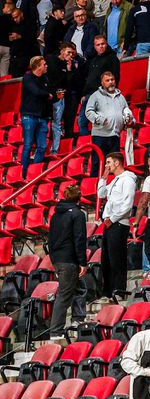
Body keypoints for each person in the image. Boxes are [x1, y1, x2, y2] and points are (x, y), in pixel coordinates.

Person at [45, 185, 88, 340]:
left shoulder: (56, 215)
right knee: (64, 294)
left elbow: (50, 239)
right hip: (69, 259)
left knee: (79, 287)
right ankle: (56, 331)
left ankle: (78, 318)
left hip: (58, 258)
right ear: (79, 197)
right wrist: (83, 262)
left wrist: (54, 259)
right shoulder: (77, 214)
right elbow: (79, 239)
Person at [96, 151, 136, 301]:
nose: (106, 165)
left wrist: (112, 219)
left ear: (117, 163)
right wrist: (103, 177)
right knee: (106, 259)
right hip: (110, 223)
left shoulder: (128, 180)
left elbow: (127, 205)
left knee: (117, 259)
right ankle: (107, 291)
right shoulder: (114, 180)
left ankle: (118, 290)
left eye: (108, 162)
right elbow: (101, 194)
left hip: (118, 223)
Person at [85, 69, 133, 165]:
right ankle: (95, 180)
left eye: (112, 80)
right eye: (107, 80)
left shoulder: (121, 97)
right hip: (100, 136)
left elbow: (127, 111)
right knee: (97, 163)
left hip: (115, 135)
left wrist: (132, 121)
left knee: (114, 165)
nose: (111, 82)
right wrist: (101, 120)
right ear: (102, 83)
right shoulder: (95, 96)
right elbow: (88, 112)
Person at [19, 55, 53, 175]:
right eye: (44, 64)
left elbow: (48, 95)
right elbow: (37, 92)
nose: (46, 66)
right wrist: (47, 95)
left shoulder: (45, 79)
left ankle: (34, 172)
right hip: (29, 116)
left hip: (43, 117)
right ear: (38, 66)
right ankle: (22, 173)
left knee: (42, 146)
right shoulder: (28, 77)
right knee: (28, 145)